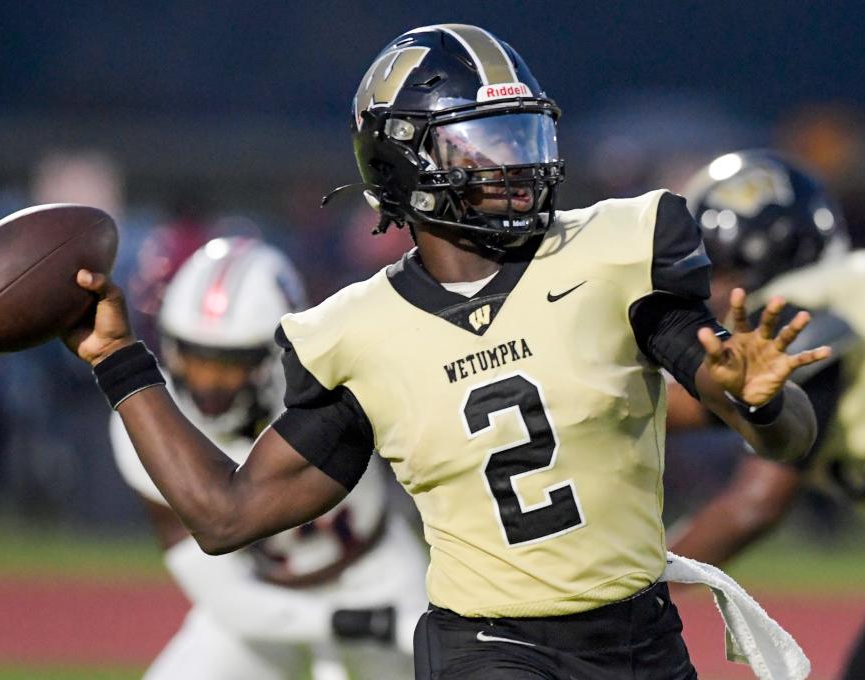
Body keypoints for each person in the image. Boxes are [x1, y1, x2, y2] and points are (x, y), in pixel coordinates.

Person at [64, 26, 829, 679]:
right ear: (403, 163)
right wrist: (118, 357)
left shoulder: (612, 256)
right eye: (486, 144)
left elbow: (788, 436)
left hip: (640, 640)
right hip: (488, 646)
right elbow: (225, 517)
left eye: (522, 136)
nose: (515, 167)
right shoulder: (359, 333)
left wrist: (761, 402)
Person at [110, 236, 425, 680]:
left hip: (375, 572)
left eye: (228, 365)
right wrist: (361, 623)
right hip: (262, 597)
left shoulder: (331, 375)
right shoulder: (149, 423)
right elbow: (222, 593)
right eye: (196, 360)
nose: (209, 386)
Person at [666, 149, 865, 679]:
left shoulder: (805, 312)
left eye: (713, 264)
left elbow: (755, 504)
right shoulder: (845, 290)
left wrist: (635, 592)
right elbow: (699, 406)